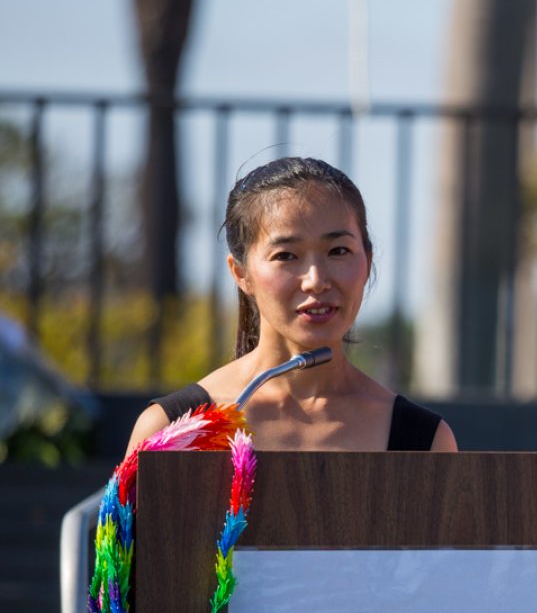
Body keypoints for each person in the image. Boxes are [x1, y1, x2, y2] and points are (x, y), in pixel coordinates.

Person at [126, 156, 457, 454]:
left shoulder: (424, 441)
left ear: (367, 262)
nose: (316, 280)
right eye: (286, 256)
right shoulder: (173, 431)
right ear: (241, 273)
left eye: (338, 251)